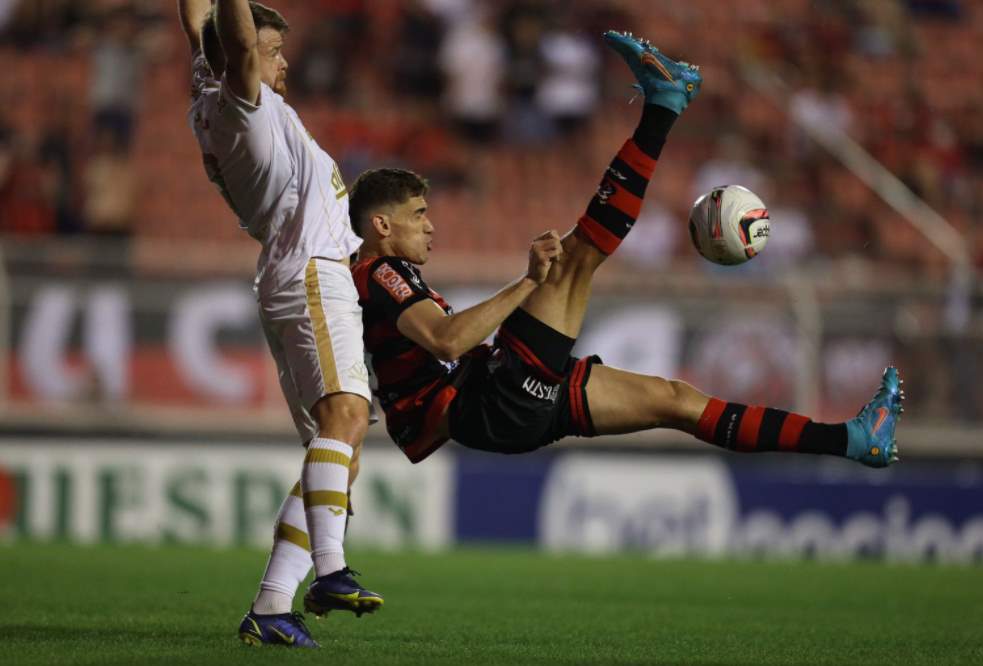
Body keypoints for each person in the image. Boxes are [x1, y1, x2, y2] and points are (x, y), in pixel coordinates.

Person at [349, 32, 902, 472]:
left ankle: (853, 440)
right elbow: (446, 338)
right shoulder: (380, 271)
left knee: (677, 401)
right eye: (418, 215)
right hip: (488, 406)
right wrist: (527, 282)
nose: (430, 226)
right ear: (381, 225)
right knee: (574, 257)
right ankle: (663, 105)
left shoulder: (387, 272)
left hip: (500, 403)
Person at [177, 0, 381, 649]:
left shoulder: (212, 86)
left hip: (292, 273)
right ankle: (330, 571)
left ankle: (270, 606)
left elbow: (200, 24)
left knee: (336, 453)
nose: (282, 59)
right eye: (272, 50)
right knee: (346, 417)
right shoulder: (244, 104)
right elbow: (227, 37)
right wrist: (238, 32)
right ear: (242, 59)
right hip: (310, 269)